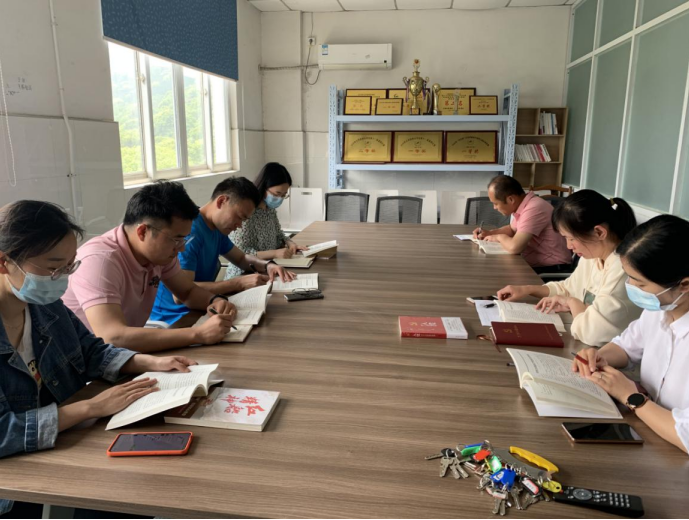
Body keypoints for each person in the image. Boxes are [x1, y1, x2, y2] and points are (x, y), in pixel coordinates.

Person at [0, 201, 197, 516]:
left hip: (68, 445)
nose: (61, 278)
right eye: (53, 267)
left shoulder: (45, 307)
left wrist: (152, 362)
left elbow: (91, 351)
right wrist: (92, 407)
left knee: (152, 484)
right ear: (4, 262)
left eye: (69, 266)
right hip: (17, 484)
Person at [62, 181, 237, 353]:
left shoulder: (160, 254)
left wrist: (214, 300)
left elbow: (187, 292)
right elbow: (112, 337)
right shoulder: (100, 262)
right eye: (176, 239)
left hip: (124, 353)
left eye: (183, 240)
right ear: (142, 231)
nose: (181, 248)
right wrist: (197, 334)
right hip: (86, 360)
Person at [573, 215, 689, 454]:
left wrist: (631, 396)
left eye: (641, 284)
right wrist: (598, 356)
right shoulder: (660, 311)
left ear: (685, 285)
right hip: (649, 437)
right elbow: (626, 347)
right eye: (629, 278)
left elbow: (685, 435)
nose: (632, 288)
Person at [497, 190, 641, 346]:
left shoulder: (623, 269)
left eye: (571, 238)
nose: (568, 246)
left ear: (599, 232)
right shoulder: (594, 256)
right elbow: (569, 288)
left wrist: (572, 303)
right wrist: (527, 290)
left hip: (610, 353)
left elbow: (592, 332)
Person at [150, 176, 296, 326]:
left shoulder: (216, 228)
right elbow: (181, 295)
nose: (239, 225)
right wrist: (237, 283)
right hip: (176, 318)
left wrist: (268, 265)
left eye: (244, 220)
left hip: (203, 307)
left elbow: (241, 258)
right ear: (221, 201)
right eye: (239, 217)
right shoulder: (190, 232)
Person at [472, 175, 571, 273]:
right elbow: (512, 229)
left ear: (511, 199)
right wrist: (489, 233)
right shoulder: (525, 205)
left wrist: (499, 237)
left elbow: (515, 247)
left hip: (551, 269)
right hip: (533, 265)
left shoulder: (534, 208)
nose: (494, 208)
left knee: (493, 272)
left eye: (496, 203)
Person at [224, 163, 305, 280]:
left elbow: (278, 233)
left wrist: (290, 243)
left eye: (284, 195)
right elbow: (241, 253)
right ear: (264, 187)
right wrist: (275, 253)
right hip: (244, 273)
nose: (280, 199)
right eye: (277, 194)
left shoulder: (269, 209)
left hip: (268, 268)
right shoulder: (247, 213)